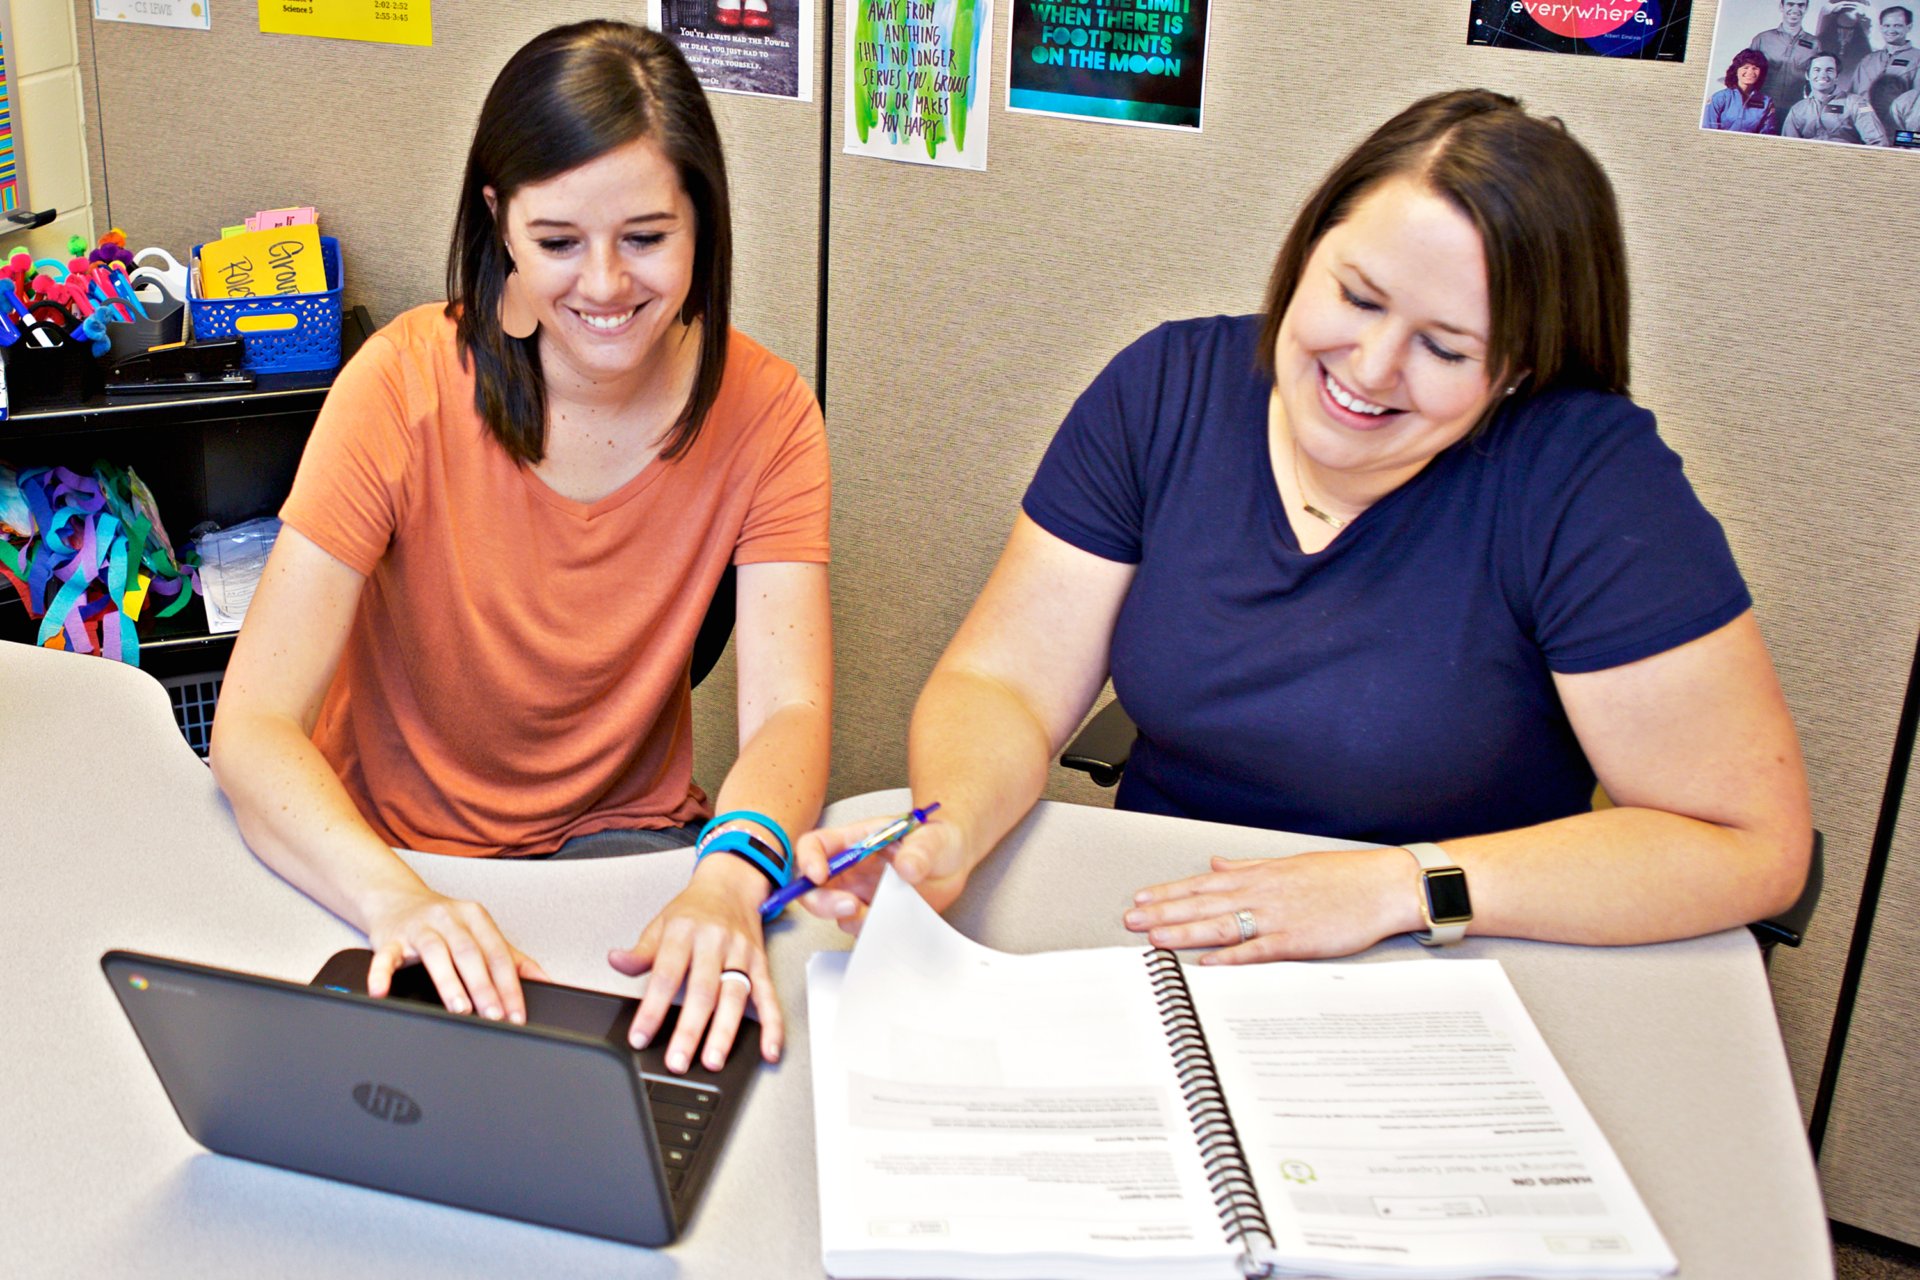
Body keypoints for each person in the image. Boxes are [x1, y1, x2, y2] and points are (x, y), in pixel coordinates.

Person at [794, 89, 1811, 962]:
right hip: (1167, 931)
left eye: (1444, 348)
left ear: (1517, 369)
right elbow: (1002, 682)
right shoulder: (1166, 390)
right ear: (1305, 249)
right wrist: (954, 828)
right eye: (1356, 296)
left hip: (1451, 958)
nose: (1370, 368)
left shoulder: (1585, 480)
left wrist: (1396, 890)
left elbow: (1749, 843)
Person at [209, 21, 831, 1076]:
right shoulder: (403, 383)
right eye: (557, 242)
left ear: (702, 224)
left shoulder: (767, 413)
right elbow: (254, 724)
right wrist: (395, 896)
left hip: (620, 863)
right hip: (385, 859)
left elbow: (789, 711)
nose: (603, 286)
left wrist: (728, 876)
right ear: (499, 222)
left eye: (646, 237)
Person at [1783, 51, 1891, 141]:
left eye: (1829, 70)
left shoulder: (1857, 104)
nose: (1823, 75)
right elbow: (1787, 147)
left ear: (1837, 76)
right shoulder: (1797, 109)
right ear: (1807, 75)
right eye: (1817, 70)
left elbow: (1878, 142)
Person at [1750, 0, 1821, 118]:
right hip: (1761, 106)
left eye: (1801, 5)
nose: (1795, 9)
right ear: (1781, 6)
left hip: (1793, 110)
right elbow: (1746, 70)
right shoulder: (1762, 39)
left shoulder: (1814, 44)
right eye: (1790, 4)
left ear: (1806, 8)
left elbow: (1815, 80)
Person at [1849, 5, 1919, 95]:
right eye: (1887, 25)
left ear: (1909, 27)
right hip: (1864, 109)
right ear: (1881, 27)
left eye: (1897, 25)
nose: (1891, 30)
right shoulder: (1868, 60)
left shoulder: (1917, 59)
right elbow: (1853, 96)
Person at [1704, 49, 1780, 132]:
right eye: (1745, 67)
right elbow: (1708, 129)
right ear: (1736, 71)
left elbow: (1767, 134)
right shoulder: (1719, 98)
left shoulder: (1766, 102)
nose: (1750, 72)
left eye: (1755, 68)